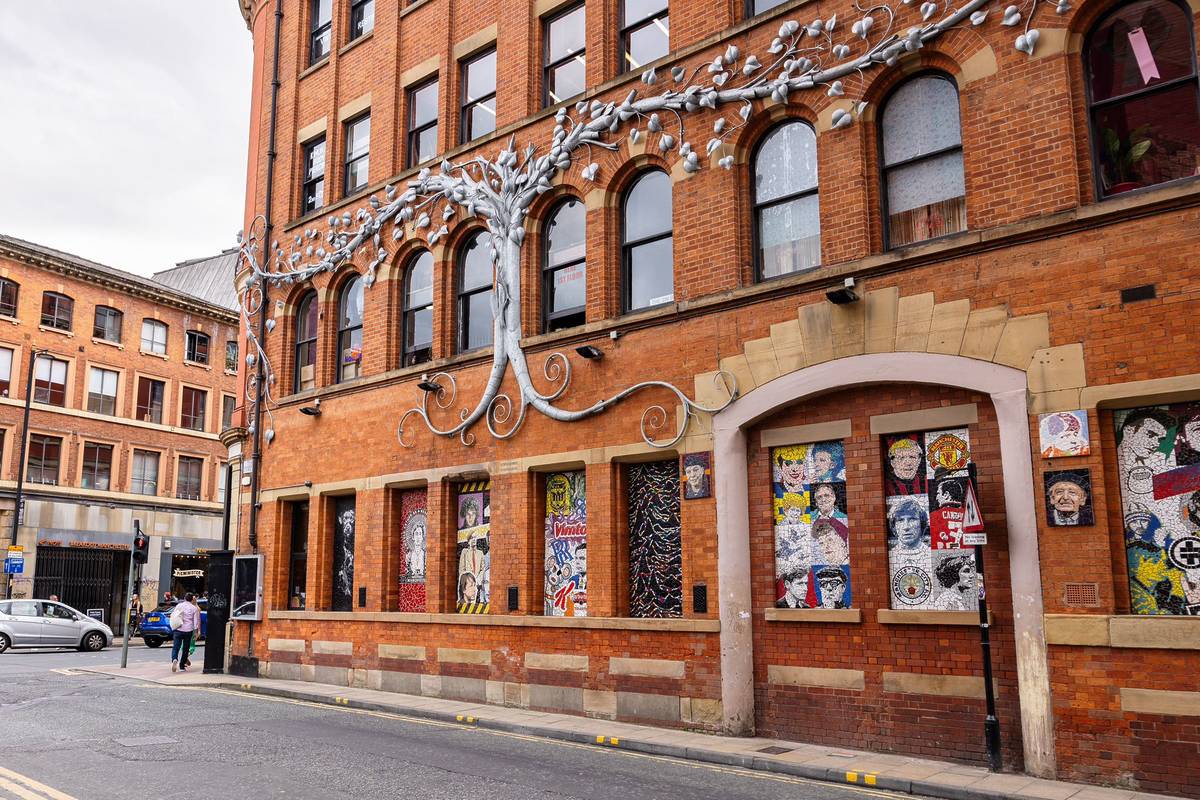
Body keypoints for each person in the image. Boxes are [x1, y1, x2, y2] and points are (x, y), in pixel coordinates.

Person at [170, 592, 201, 673]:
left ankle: (174, 659)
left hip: (178, 629)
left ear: (184, 598)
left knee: (176, 647)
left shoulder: (179, 605)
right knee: (185, 649)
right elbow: (195, 622)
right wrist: (195, 631)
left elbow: (174, 615)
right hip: (188, 630)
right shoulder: (194, 608)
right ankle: (181, 666)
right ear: (191, 600)